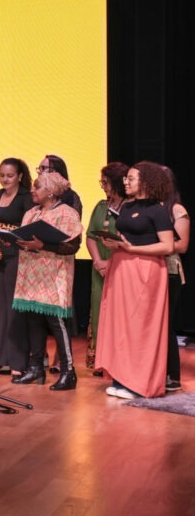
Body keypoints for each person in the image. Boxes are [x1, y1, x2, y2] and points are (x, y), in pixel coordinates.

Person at [97, 162, 175, 399]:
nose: (126, 182)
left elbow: (168, 245)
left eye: (131, 178)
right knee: (120, 324)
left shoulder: (157, 210)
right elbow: (127, 235)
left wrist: (132, 248)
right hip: (121, 267)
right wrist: (115, 243)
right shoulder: (128, 206)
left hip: (144, 270)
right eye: (126, 178)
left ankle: (138, 383)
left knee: (139, 326)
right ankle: (121, 379)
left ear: (146, 181)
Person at [9, 172, 84, 390]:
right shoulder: (31, 213)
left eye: (37, 187)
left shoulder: (67, 214)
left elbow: (72, 246)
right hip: (31, 275)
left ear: (51, 191)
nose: (32, 190)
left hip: (54, 276)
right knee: (33, 320)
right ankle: (36, 368)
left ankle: (68, 372)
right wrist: (13, 241)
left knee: (57, 323)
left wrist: (43, 246)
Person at [0, 158, 32, 376]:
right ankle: (0, 360)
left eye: (10, 175)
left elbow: (29, 227)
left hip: (16, 255)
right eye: (2, 175)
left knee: (14, 310)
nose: (5, 179)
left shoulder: (26, 197)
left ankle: (18, 362)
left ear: (20, 176)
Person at [84, 162, 129, 371]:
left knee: (120, 313)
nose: (103, 186)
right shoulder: (102, 206)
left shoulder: (131, 207)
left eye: (106, 182)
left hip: (123, 267)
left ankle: (119, 362)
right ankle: (101, 361)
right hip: (100, 268)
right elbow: (91, 236)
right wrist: (98, 261)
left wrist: (110, 262)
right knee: (99, 309)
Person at [161, 166, 188, 392]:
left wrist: (160, 246)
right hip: (147, 271)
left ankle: (173, 375)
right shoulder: (148, 208)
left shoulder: (177, 210)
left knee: (166, 325)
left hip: (169, 271)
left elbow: (182, 244)